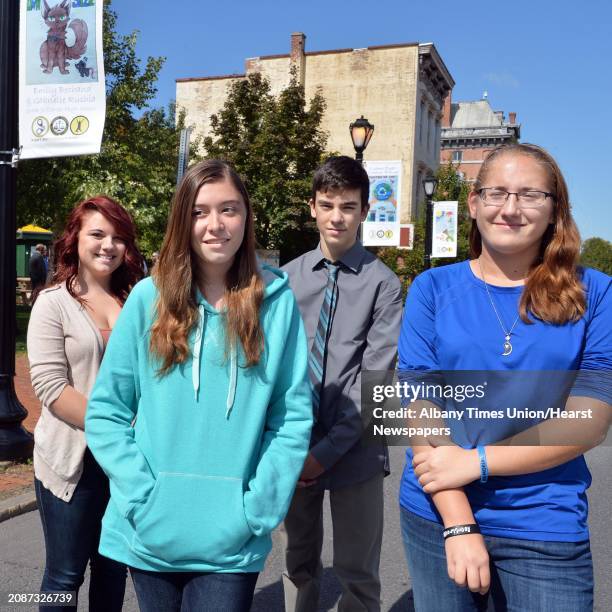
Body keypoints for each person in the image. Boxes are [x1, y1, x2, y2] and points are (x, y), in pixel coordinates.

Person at [84, 160, 313, 612]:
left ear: (246, 218)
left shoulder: (277, 305)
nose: (215, 225)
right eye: (200, 211)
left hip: (232, 541)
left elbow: (291, 418)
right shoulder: (148, 299)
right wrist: (141, 495)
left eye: (229, 209)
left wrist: (257, 510)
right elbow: (107, 411)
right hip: (150, 530)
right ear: (182, 220)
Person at [398, 143, 611, 611]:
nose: (511, 208)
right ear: (474, 205)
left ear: (555, 210)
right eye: (497, 193)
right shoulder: (431, 289)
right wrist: (457, 521)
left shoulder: (595, 293)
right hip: (436, 509)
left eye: (530, 195)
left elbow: (590, 420)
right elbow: (417, 403)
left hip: (543, 519)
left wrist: (477, 462)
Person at [281, 155, 403, 611]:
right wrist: (293, 449)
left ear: (365, 211)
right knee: (297, 564)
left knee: (358, 574)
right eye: (328, 204)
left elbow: (376, 381)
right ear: (312, 206)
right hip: (295, 444)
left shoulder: (383, 284)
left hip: (358, 449)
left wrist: (325, 454)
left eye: (348, 207)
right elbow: (274, 371)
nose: (337, 217)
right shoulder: (284, 281)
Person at [27, 196, 144, 611]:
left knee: (113, 570)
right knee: (64, 576)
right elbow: (52, 389)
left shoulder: (138, 302)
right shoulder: (53, 303)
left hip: (128, 462)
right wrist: (117, 430)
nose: (107, 245)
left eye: (118, 238)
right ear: (75, 239)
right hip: (74, 462)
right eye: (97, 234)